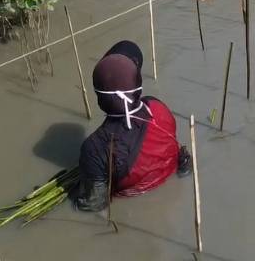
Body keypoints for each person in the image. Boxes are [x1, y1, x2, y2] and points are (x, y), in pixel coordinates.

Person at [75, 41, 191, 211]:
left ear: (99, 98)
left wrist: (73, 196)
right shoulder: (158, 107)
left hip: (134, 203)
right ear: (138, 87)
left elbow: (96, 203)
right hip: (171, 185)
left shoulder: (94, 148)